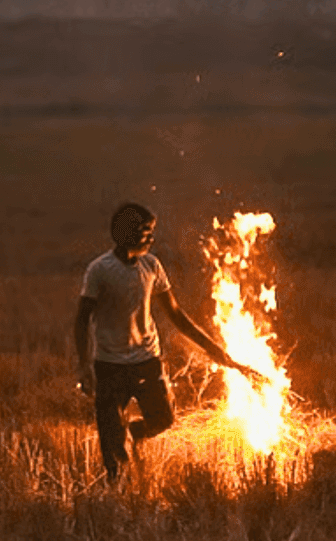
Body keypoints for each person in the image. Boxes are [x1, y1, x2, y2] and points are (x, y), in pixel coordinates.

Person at [73, 201, 258, 482]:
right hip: (109, 365)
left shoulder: (152, 265)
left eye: (152, 231)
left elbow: (176, 315)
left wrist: (217, 352)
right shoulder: (100, 270)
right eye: (146, 231)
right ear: (127, 233)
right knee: (112, 441)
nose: (151, 237)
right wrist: (84, 366)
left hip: (147, 360)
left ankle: (133, 433)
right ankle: (117, 491)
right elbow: (81, 320)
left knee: (164, 419)